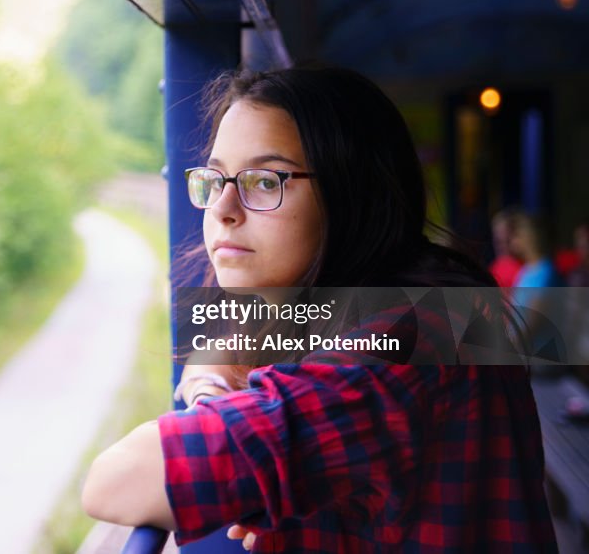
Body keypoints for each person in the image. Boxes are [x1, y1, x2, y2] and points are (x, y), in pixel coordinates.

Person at [81, 66, 557, 551]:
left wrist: (218, 406)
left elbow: (113, 481)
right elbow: (228, 351)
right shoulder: (421, 304)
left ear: (350, 192)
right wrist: (216, 385)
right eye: (215, 177)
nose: (222, 207)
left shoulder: (401, 349)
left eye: (264, 181)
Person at [489, 207, 522, 288]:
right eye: (496, 234)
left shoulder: (524, 270)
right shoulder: (494, 268)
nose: (499, 236)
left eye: (506, 239)